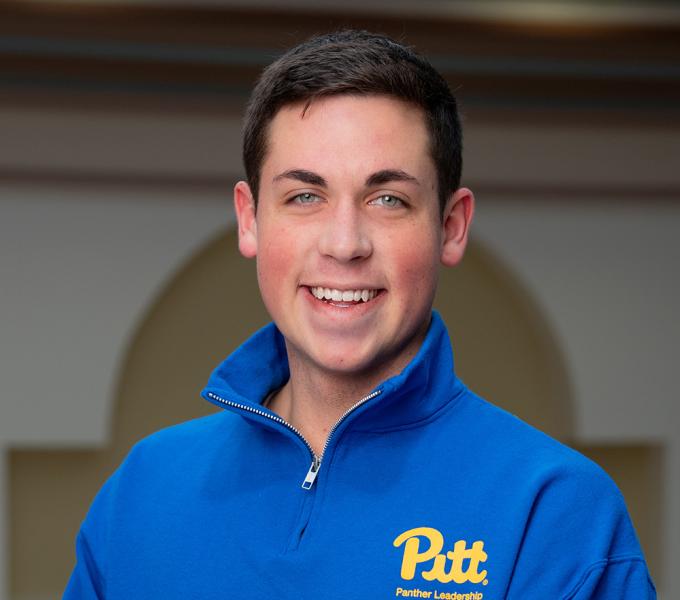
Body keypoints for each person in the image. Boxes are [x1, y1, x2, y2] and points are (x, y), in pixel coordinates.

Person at [64, 30, 656, 599]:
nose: (344, 243)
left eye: (388, 199)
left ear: (451, 227)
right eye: (305, 196)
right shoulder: (142, 493)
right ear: (250, 219)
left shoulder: (554, 511)